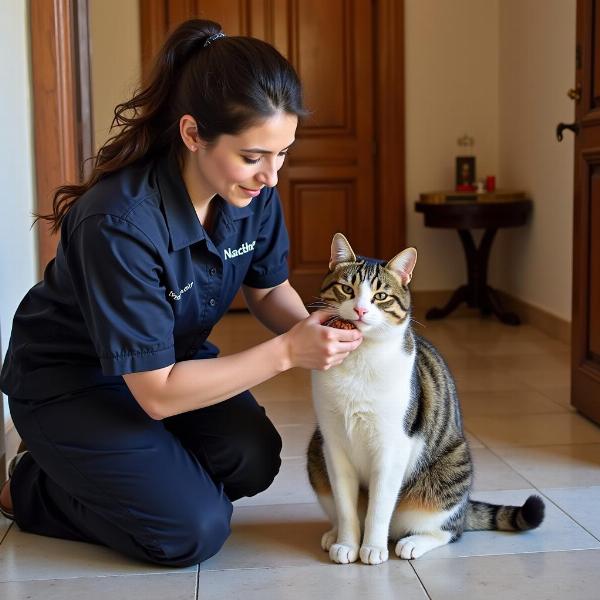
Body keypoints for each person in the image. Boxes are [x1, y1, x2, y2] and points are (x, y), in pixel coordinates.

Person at [0, 19, 362, 567]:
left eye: (283, 153)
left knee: (253, 458)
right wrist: (289, 352)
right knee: (191, 532)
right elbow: (159, 394)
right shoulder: (119, 222)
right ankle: (32, 484)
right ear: (193, 134)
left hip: (167, 364)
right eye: (254, 156)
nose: (272, 175)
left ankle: (113, 472)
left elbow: (268, 290)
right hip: (73, 384)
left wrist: (324, 332)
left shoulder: (248, 192)